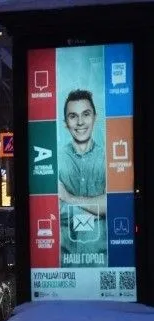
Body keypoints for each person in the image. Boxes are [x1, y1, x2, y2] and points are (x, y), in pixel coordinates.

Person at [58, 89, 107, 266]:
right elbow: (55, 208)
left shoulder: (107, 158)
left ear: (95, 117)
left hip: (103, 262)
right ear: (65, 123)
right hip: (66, 264)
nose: (80, 122)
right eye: (73, 116)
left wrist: (69, 198)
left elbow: (111, 204)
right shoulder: (56, 159)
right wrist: (97, 211)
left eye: (86, 114)